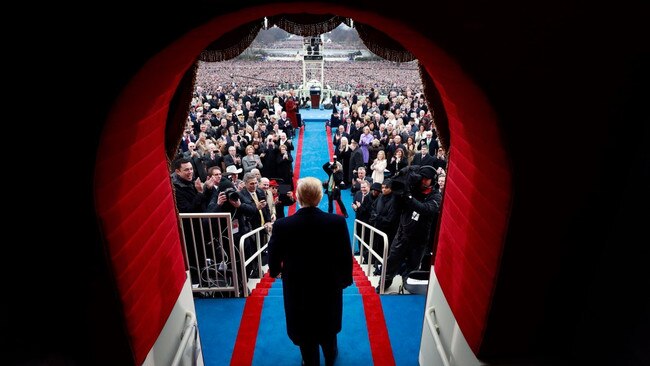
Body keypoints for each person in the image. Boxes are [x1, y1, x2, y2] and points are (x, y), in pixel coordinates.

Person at [268, 177, 353, 366]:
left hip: (297, 287)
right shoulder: (337, 222)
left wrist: (275, 272)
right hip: (329, 285)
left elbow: (273, 256)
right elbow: (345, 255)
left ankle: (310, 360)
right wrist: (345, 279)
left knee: (303, 327)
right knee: (328, 323)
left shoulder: (282, 225)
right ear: (320, 196)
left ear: (297, 197)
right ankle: (330, 356)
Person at [378, 165, 442, 293]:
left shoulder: (436, 196)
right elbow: (397, 198)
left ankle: (408, 289)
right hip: (403, 234)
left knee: (412, 267)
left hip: (420, 239)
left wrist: (409, 197)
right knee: (391, 262)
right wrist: (402, 179)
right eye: (422, 178)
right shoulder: (412, 189)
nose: (423, 181)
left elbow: (425, 209)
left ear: (433, 180)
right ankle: (383, 284)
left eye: (427, 179)